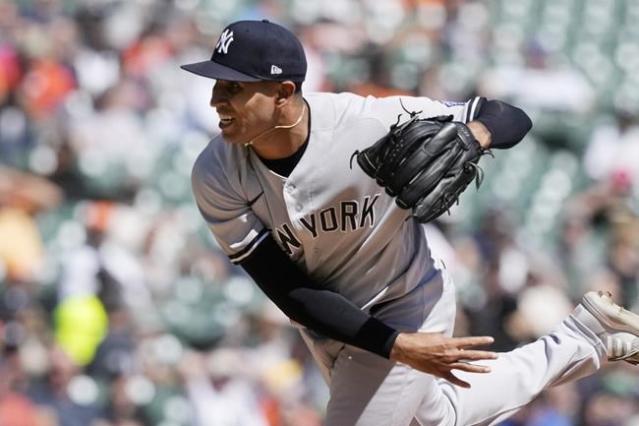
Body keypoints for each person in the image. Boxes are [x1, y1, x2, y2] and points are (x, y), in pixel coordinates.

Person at [182, 19, 639, 426]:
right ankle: (586, 337)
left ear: (284, 93)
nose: (216, 99)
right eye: (218, 84)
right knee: (442, 416)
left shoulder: (365, 123)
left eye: (233, 88)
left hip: (404, 299)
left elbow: (505, 115)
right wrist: (394, 347)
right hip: (335, 323)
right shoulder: (215, 173)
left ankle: (586, 338)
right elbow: (286, 289)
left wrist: (475, 135)